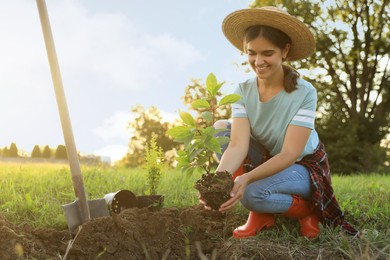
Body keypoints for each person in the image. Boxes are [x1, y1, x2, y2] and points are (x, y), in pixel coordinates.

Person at [209, 6, 359, 239]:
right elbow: (238, 145)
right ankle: (261, 215)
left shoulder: (304, 92)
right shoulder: (243, 90)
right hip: (266, 156)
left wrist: (246, 178)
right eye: (251, 53)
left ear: (284, 51)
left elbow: (290, 153)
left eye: (267, 53)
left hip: (302, 166)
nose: (258, 61)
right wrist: (216, 184)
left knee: (251, 194)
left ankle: (307, 210)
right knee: (220, 129)